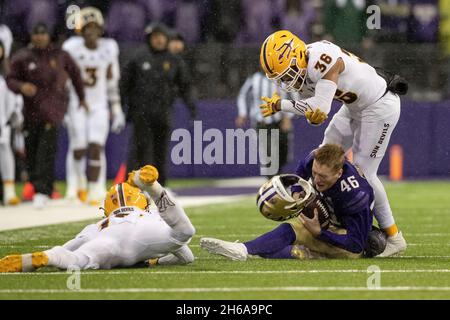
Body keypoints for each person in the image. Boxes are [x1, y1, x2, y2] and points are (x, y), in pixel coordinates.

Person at [258, 30, 407, 257]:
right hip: (354, 108)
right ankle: (317, 215)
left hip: (379, 106)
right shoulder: (304, 71)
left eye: (287, 74)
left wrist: (282, 106)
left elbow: (321, 109)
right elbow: (314, 113)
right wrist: (298, 109)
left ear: (297, 56)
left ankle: (395, 238)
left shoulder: (321, 58)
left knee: (365, 172)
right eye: (282, 78)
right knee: (321, 157)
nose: (287, 81)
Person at [0, 165, 196, 272]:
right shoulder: (149, 214)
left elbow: (70, 246)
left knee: (77, 259)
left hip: (109, 239)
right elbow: (186, 256)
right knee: (184, 232)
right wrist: (153, 261)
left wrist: (52, 252)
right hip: (142, 231)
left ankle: (47, 257)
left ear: (107, 207)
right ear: (141, 202)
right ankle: (154, 188)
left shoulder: (98, 225)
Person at [200, 144, 381, 260]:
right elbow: (301, 170)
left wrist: (319, 233)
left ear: (339, 173)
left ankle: (246, 250)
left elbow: (355, 244)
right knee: (287, 232)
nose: (317, 180)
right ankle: (244, 250)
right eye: (315, 173)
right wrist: (296, 191)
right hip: (332, 224)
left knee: (287, 236)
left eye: (323, 176)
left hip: (351, 242)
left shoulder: (356, 195)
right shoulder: (314, 160)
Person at [6, 22, 86, 209]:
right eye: (37, 34)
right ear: (32, 36)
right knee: (32, 153)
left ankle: (42, 191)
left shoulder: (60, 56)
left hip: (53, 112)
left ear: (49, 36)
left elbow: (76, 75)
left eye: (43, 34)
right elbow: (10, 79)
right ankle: (43, 188)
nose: (40, 37)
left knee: (46, 152)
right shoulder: (23, 57)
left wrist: (81, 98)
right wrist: (21, 87)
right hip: (31, 113)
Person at [62, 7, 125, 205]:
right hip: (77, 103)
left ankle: (95, 188)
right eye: (87, 27)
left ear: (100, 29)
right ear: (80, 29)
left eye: (94, 27)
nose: (90, 31)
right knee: (78, 146)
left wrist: (116, 108)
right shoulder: (72, 46)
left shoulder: (109, 48)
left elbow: (112, 82)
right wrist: (63, 106)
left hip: (99, 104)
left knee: (97, 146)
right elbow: (64, 80)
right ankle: (75, 187)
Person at [121, 23, 196, 186]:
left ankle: (160, 188)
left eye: (162, 37)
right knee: (141, 153)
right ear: (149, 39)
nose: (159, 40)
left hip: (163, 114)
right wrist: (122, 107)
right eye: (156, 37)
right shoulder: (138, 58)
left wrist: (191, 106)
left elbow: (185, 85)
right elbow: (124, 84)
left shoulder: (174, 60)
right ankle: (134, 188)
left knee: (160, 153)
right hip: (141, 114)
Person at [236, 71, 293, 176]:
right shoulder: (254, 79)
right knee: (268, 154)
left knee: (283, 154)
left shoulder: (283, 77)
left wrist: (287, 117)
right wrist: (243, 113)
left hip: (279, 122)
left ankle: (276, 177)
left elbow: (293, 96)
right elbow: (243, 95)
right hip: (261, 122)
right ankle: (272, 182)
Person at [0, 40, 23, 206]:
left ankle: (9, 191)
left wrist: (16, 113)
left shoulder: (7, 73)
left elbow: (15, 94)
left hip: (3, 122)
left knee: (4, 149)